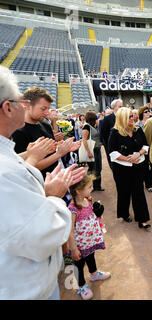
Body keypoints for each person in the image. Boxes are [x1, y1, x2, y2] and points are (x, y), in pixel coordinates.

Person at [0, 66, 86, 299]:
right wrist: (52, 195)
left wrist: (56, 148)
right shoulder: (8, 164)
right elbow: (42, 232)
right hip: (27, 288)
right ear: (8, 107)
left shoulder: (39, 128)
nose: (23, 106)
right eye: (20, 101)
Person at [11, 86, 81, 179]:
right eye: (43, 108)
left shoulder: (45, 124)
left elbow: (50, 150)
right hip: (37, 184)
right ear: (27, 105)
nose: (47, 113)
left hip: (53, 179)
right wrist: (59, 154)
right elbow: (26, 167)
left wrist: (65, 147)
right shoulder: (16, 131)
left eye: (48, 109)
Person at [68, 174, 110, 300]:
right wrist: (74, 249)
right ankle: (81, 285)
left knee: (91, 256)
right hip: (80, 244)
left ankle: (94, 274)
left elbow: (92, 215)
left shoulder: (89, 200)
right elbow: (70, 231)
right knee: (79, 264)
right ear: (78, 191)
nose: (91, 189)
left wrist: (98, 215)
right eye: (89, 187)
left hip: (90, 240)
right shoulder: (73, 209)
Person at [109, 107, 151, 229]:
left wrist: (138, 154)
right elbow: (112, 152)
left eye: (132, 116)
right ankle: (123, 213)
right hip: (121, 169)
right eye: (129, 117)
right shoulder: (115, 132)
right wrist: (127, 159)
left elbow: (145, 145)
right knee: (124, 192)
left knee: (138, 192)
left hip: (138, 166)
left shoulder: (137, 130)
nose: (133, 118)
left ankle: (142, 219)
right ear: (122, 118)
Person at [82, 111, 104, 191]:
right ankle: (88, 186)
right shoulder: (86, 127)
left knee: (98, 168)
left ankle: (97, 186)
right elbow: (84, 140)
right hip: (91, 151)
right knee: (92, 169)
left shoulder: (92, 126)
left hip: (97, 150)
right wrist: (88, 152)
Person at [136, 106, 152, 191]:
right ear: (141, 113)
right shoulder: (137, 125)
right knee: (145, 167)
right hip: (143, 149)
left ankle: (150, 179)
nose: (148, 113)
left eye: (149, 111)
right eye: (146, 112)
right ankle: (148, 184)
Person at [99, 99, 123, 169]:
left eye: (122, 106)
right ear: (114, 107)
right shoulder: (107, 119)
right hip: (112, 147)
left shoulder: (124, 117)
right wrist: (108, 145)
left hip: (123, 147)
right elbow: (104, 134)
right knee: (114, 166)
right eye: (120, 106)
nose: (121, 108)